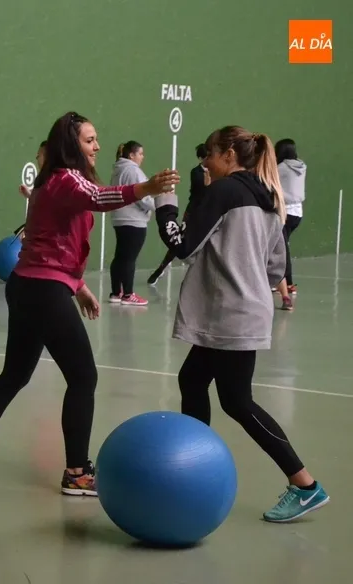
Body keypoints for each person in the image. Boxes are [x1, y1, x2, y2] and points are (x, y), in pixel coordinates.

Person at [0, 112, 179, 495]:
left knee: (15, 375)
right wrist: (146, 188)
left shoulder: (54, 182)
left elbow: (55, 244)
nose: (98, 147)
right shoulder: (64, 179)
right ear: (71, 145)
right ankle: (76, 472)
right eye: (90, 140)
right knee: (83, 377)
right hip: (42, 292)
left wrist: (78, 285)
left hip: (30, 286)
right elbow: (100, 198)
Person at [153, 125, 328, 522]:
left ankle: (304, 484)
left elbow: (183, 245)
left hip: (229, 315)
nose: (205, 162)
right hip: (244, 311)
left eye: (210, 153)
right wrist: (250, 287)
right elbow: (276, 266)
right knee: (193, 380)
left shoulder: (225, 192)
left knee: (237, 401)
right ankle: (194, 467)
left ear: (230, 154)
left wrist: (165, 205)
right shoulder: (266, 196)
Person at [147, 143, 210, 285]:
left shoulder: (215, 172)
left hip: (206, 211)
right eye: (206, 157)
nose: (208, 160)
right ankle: (161, 268)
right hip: (194, 211)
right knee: (180, 239)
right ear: (201, 158)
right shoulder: (196, 172)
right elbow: (201, 191)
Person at [107, 141, 154, 306]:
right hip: (134, 220)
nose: (142, 157)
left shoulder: (118, 169)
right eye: (140, 153)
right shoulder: (133, 170)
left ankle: (116, 292)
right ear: (132, 155)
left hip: (119, 218)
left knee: (120, 256)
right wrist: (154, 206)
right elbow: (142, 194)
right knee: (129, 258)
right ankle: (128, 294)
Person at [276, 138, 305, 301]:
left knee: (282, 249)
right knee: (282, 246)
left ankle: (288, 284)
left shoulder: (281, 168)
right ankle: (281, 282)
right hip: (297, 214)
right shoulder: (301, 166)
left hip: (284, 213)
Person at [14, 140, 47, 239]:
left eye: (39, 155)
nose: (36, 159)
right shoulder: (43, 179)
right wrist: (29, 194)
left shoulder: (56, 179)